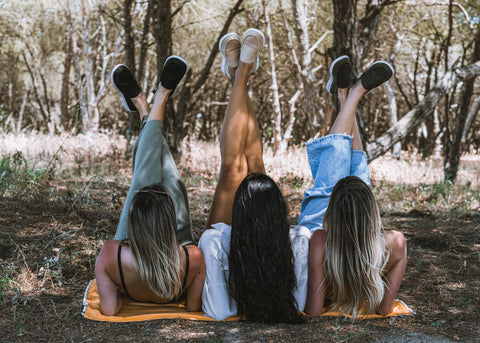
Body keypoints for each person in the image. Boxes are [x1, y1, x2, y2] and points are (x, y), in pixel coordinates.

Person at [198, 29, 310, 323]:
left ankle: (239, 73)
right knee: (256, 166)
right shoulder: (299, 245)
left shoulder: (214, 245)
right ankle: (241, 72)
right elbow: (300, 300)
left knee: (233, 168)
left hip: (224, 241)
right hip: (269, 235)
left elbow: (220, 311)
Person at [94, 56, 205, 316]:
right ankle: (153, 102)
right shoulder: (194, 258)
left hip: (134, 251)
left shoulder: (112, 255)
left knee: (147, 178)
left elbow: (110, 310)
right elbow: (193, 307)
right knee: (169, 177)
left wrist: (126, 287)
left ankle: (148, 104)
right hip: (175, 252)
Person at [301, 56, 407, 318]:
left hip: (320, 222)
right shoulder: (395, 243)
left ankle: (349, 93)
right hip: (360, 231)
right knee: (356, 171)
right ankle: (348, 95)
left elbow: (313, 312)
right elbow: (384, 309)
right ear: (373, 210)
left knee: (336, 163)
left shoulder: (320, 240)